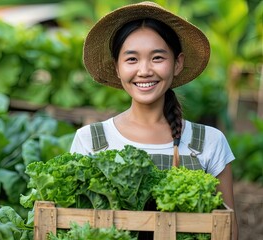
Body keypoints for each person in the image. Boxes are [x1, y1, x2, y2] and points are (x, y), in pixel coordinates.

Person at [69, 1, 238, 239]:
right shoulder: (91, 140)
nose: (145, 70)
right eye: (131, 59)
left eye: (157, 58)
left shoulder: (210, 141)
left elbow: (227, 231)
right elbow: (76, 227)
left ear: (177, 63)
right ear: (117, 67)